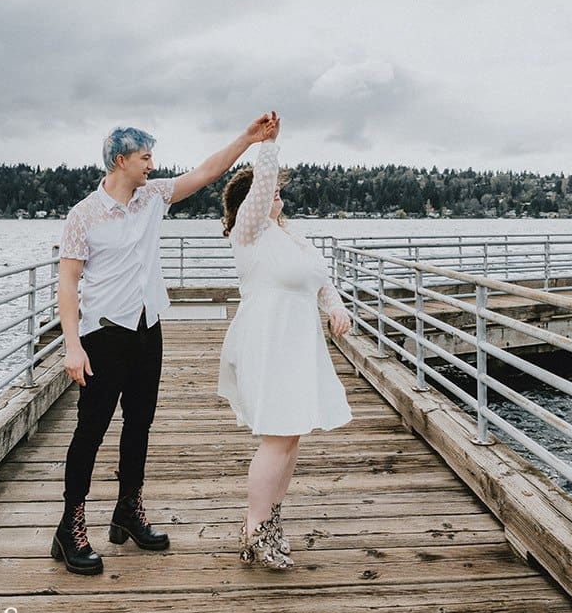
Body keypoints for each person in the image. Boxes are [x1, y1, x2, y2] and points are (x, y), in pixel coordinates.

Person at [52, 114, 279, 575]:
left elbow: (206, 172)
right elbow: (68, 284)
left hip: (146, 329)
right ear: (121, 161)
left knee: (139, 424)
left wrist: (249, 139)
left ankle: (128, 510)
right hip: (102, 335)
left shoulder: (153, 197)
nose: (152, 165)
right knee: (90, 431)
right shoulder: (84, 215)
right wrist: (72, 346)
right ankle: (70, 526)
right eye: (145, 157)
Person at [218, 117, 353, 570]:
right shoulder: (249, 233)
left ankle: (271, 520)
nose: (277, 193)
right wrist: (268, 147)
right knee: (276, 437)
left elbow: (319, 279)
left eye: (277, 189)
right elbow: (261, 188)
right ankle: (254, 531)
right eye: (270, 189)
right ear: (250, 203)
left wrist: (336, 307)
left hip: (298, 343)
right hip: (268, 340)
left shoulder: (290, 237)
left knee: (291, 436)